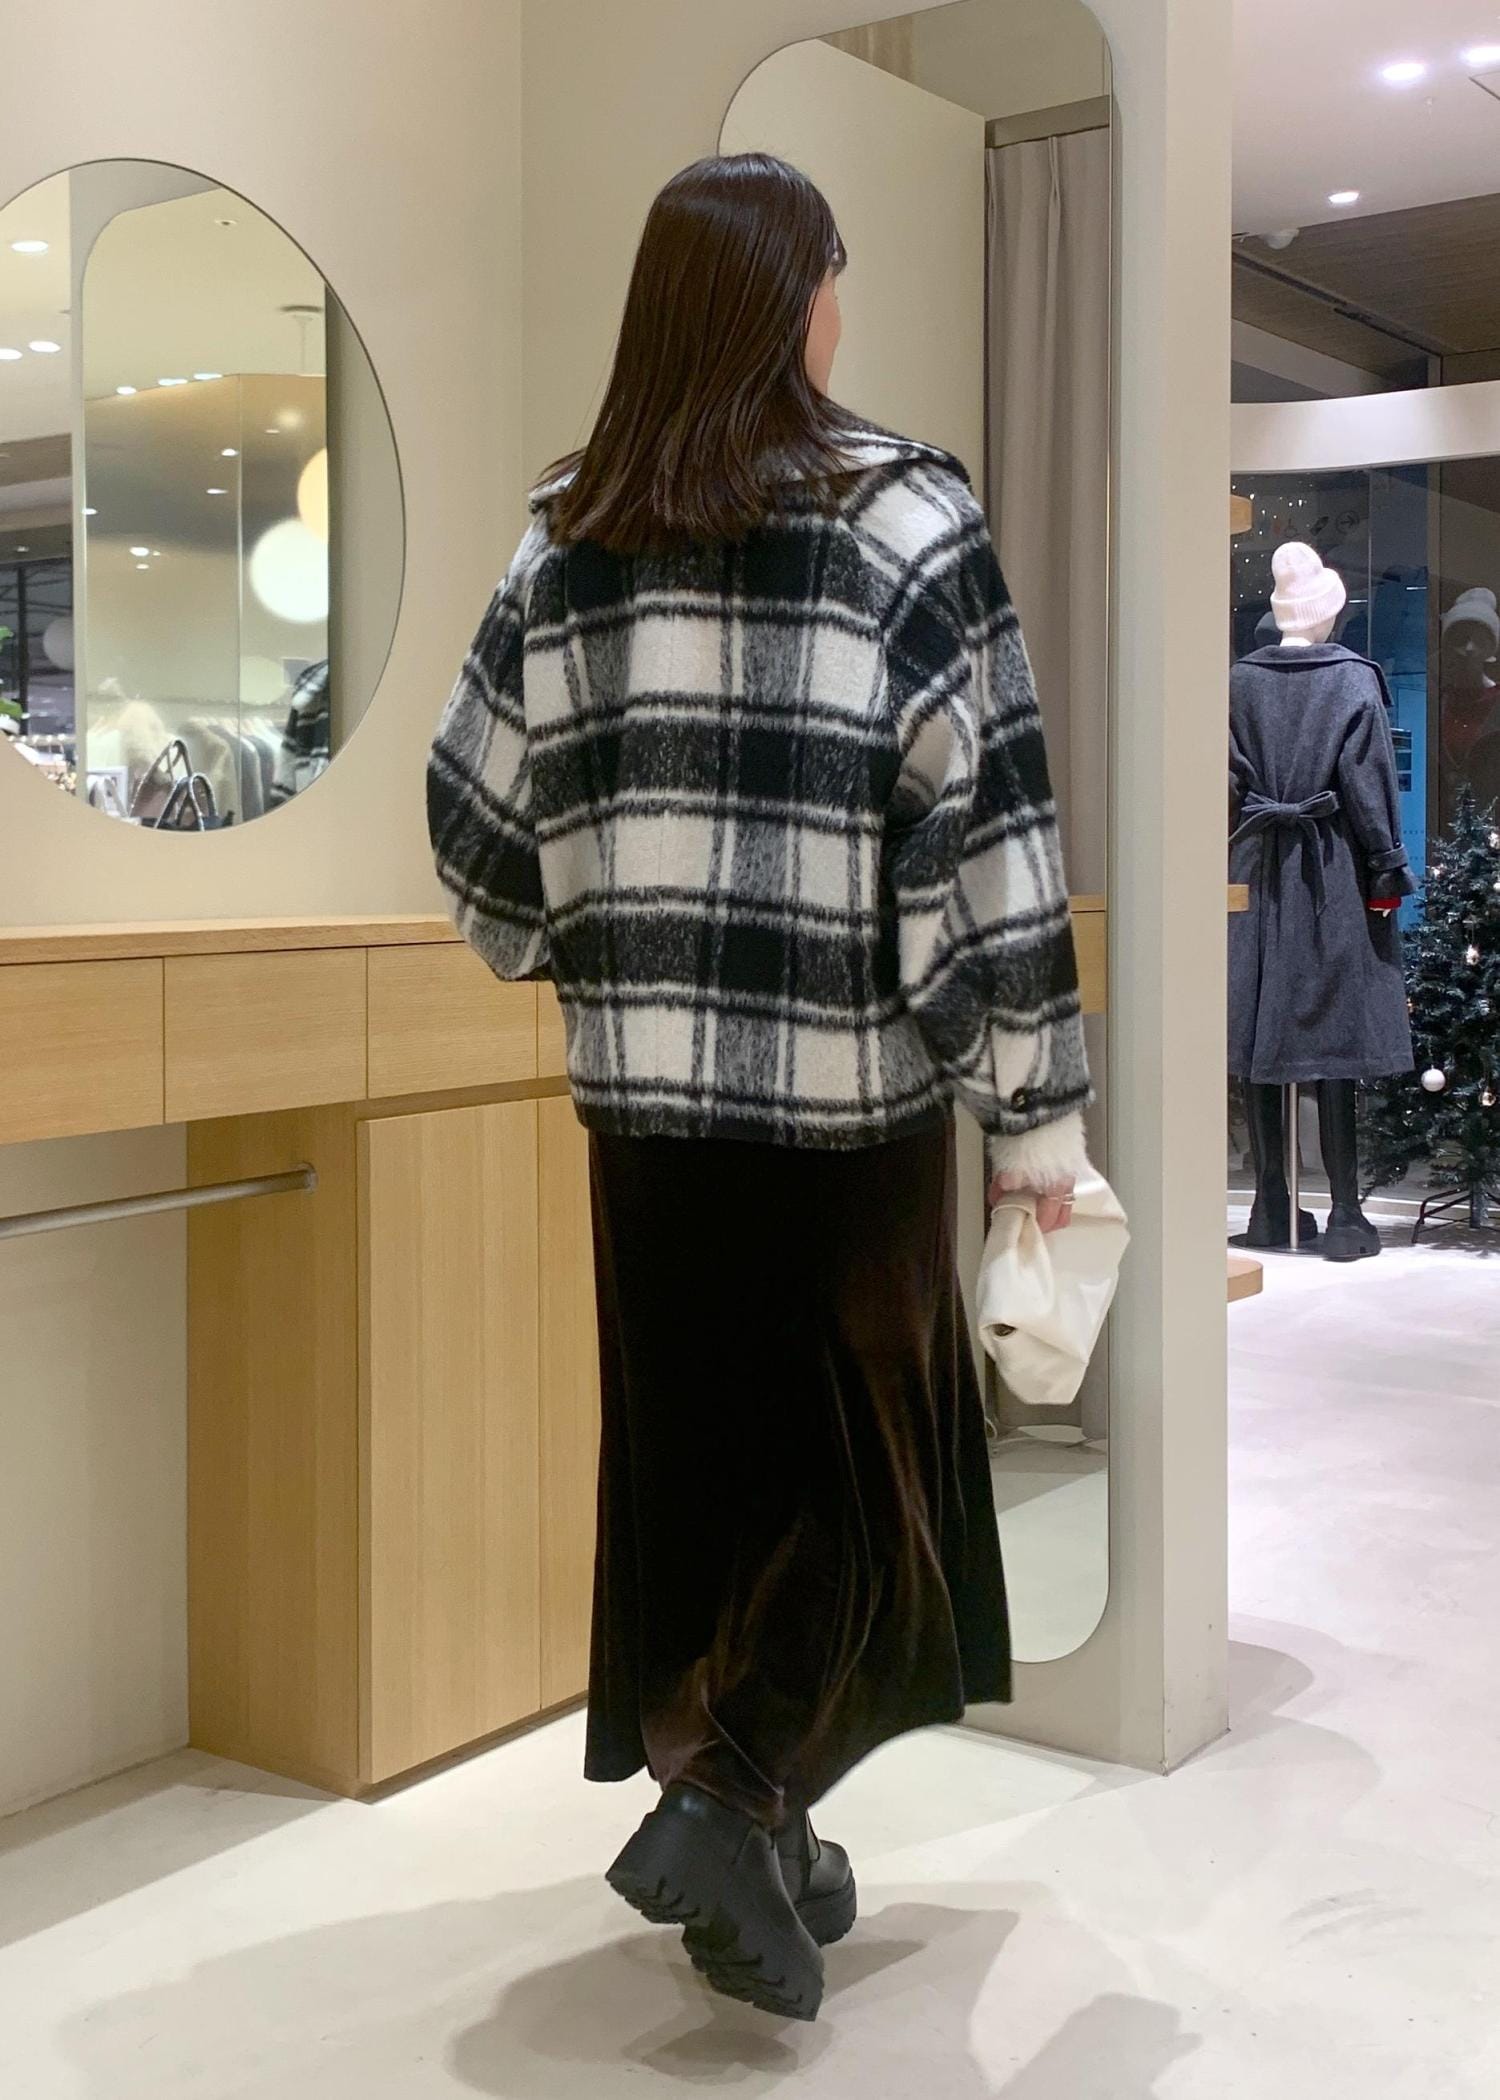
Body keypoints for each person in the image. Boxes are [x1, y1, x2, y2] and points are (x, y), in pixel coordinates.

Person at [428, 152, 1090, 2022]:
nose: (840, 314)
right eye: (833, 280)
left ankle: (758, 1827)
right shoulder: (906, 521)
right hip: (845, 1110)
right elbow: (992, 842)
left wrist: (588, 941)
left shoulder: (564, 542)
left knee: (706, 1476)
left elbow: (472, 835)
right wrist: (1032, 1106)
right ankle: (729, 1802)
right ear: (793, 301)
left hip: (643, 1121)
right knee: (872, 1494)